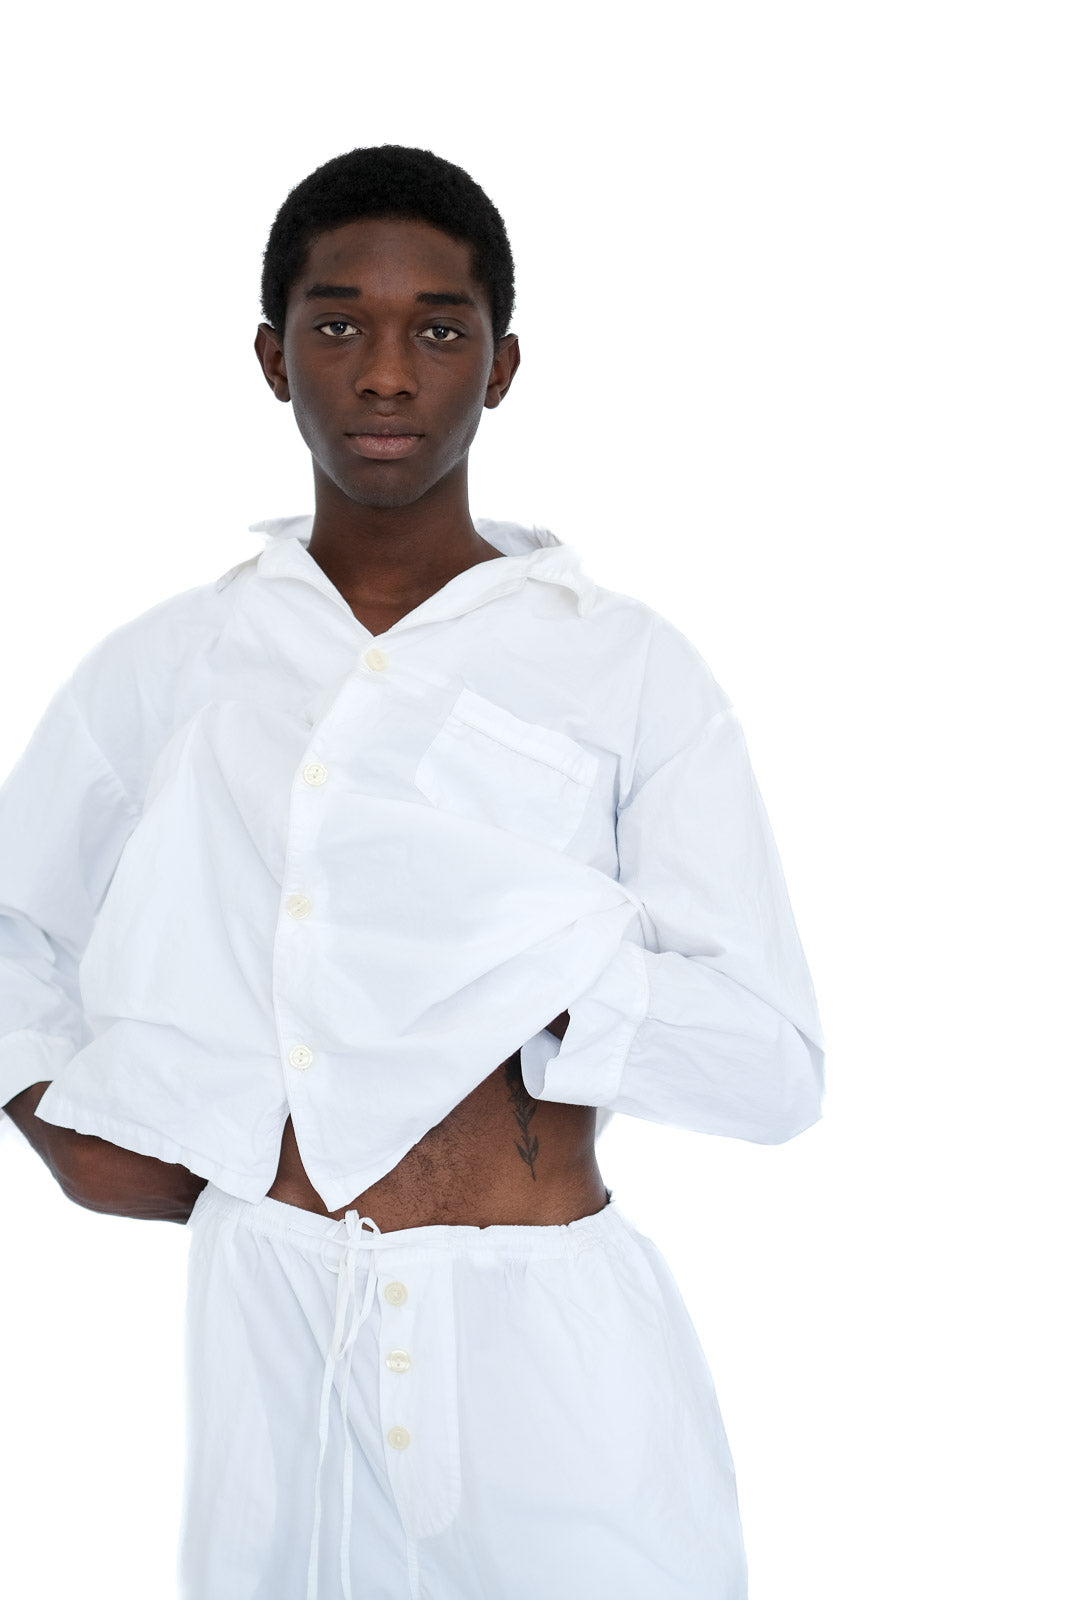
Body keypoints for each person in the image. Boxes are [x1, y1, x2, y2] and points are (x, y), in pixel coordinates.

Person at [0, 145, 824, 1600]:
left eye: (440, 331)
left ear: (501, 367)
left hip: (549, 1339)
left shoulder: (623, 665)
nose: (386, 372)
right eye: (339, 325)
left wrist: (533, 970)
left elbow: (774, 1067)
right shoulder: (177, 664)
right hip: (271, 1320)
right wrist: (59, 1121)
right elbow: (15, 919)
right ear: (274, 357)